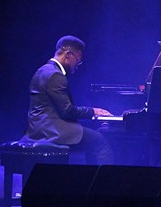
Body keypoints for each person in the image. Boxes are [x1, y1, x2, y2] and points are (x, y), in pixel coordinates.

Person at [21, 35, 115, 164]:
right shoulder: (55, 75)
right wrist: (93, 111)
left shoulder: (41, 70)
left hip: (37, 129)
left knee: (89, 136)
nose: (78, 64)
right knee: (100, 142)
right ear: (68, 55)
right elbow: (67, 111)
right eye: (78, 60)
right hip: (51, 131)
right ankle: (104, 183)